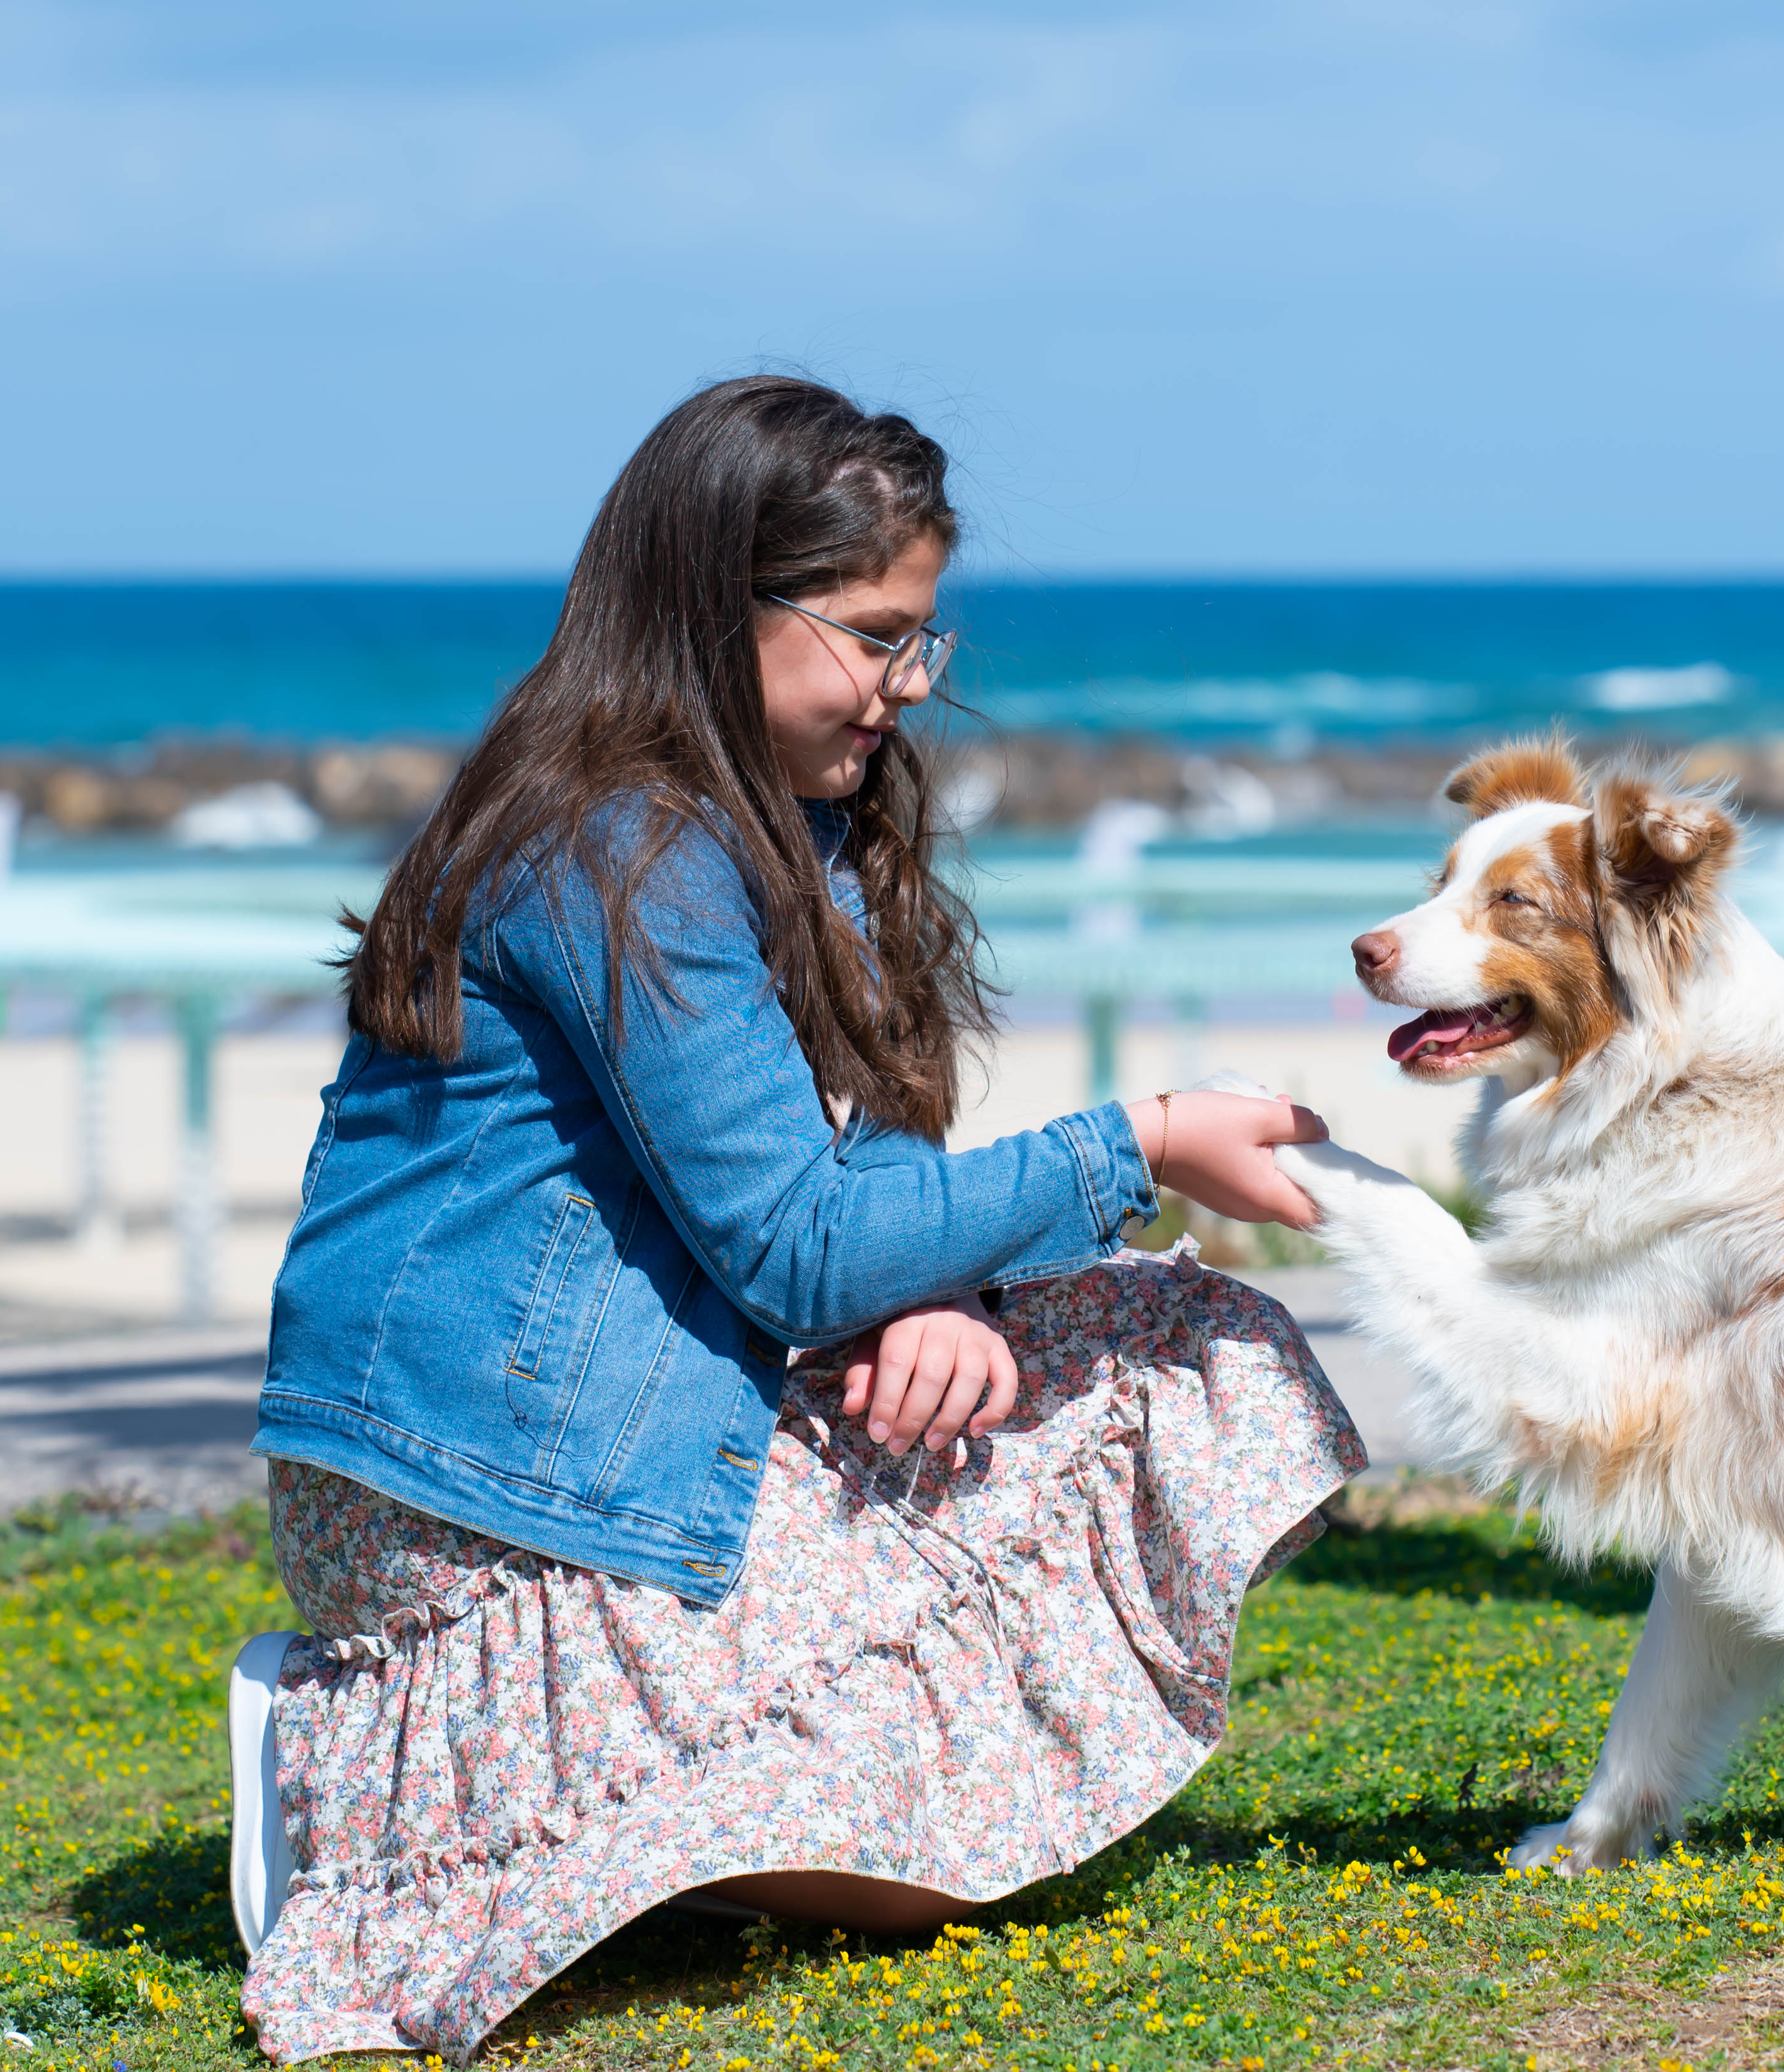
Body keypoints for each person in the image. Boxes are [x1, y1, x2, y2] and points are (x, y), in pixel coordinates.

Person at [236, 375, 1364, 2063]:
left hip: (649, 1416)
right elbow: (790, 1244)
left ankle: (636, 1825)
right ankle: (368, 1766)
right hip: (479, 1487)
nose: (908, 691)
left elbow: (854, 1161)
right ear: (718, 606)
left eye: (926, 645)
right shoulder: (608, 845)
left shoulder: (797, 820)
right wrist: (1140, 1139)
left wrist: (946, 1289)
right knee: (925, 1878)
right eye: (876, 638)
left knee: (1185, 1347)